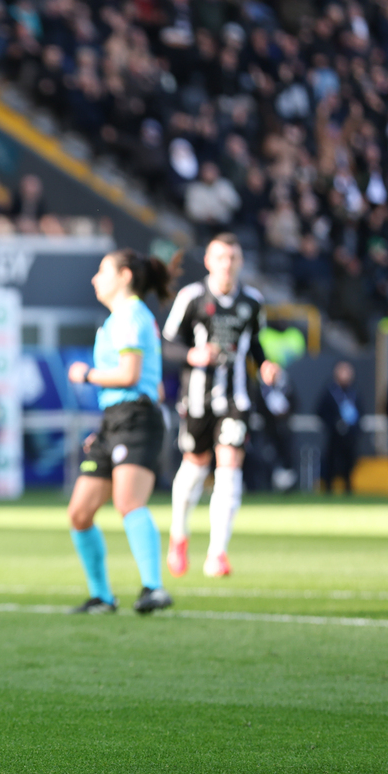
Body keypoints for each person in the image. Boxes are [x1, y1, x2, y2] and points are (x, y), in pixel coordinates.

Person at [65, 249, 178, 615]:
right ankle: (102, 597)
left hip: (136, 418)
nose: (95, 278)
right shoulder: (120, 319)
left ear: (125, 276)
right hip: (116, 419)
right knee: (80, 513)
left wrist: (86, 374)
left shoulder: (131, 315)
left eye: (102, 271)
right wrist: (106, 425)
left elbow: (130, 376)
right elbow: (149, 383)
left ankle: (153, 588)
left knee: (129, 502)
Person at [163, 234, 280, 578]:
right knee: (195, 468)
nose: (228, 264)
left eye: (233, 258)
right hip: (197, 399)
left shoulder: (252, 302)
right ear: (209, 262)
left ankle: (217, 553)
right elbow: (167, 345)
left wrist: (265, 366)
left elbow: (255, 344)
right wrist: (191, 355)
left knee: (229, 468)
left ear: (240, 262)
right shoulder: (192, 298)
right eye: (222, 258)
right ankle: (178, 535)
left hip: (235, 399)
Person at [316, 361, 362, 494]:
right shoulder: (330, 392)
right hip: (334, 435)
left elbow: (360, 412)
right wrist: (334, 424)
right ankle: (328, 488)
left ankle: (348, 488)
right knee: (331, 462)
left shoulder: (354, 392)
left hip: (350, 436)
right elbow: (321, 411)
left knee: (349, 463)